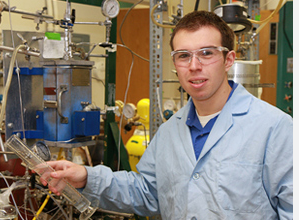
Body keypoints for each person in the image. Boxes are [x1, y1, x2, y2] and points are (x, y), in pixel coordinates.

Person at [37, 11, 293, 219]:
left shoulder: (275, 129)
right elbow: (147, 192)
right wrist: (86, 177)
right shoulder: (171, 131)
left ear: (228, 60)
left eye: (206, 53)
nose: (194, 66)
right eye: (184, 56)